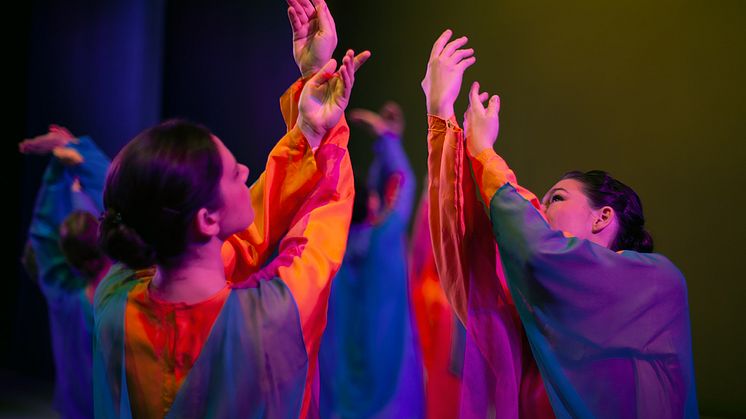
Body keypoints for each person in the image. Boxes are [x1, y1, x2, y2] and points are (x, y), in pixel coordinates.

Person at [93, 1, 370, 418]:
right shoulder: (271, 317)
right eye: (230, 173)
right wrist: (318, 121)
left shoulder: (115, 301)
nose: (245, 169)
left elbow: (239, 234)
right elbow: (325, 210)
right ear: (205, 220)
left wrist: (306, 124)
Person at [423, 29, 698, 418]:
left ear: (603, 217)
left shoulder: (657, 283)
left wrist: (484, 152)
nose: (540, 210)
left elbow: (540, 251)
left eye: (556, 198)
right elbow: (467, 260)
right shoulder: (539, 327)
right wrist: (441, 114)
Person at [318, 102, 424, 418]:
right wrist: (388, 141)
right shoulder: (383, 243)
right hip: (391, 406)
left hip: (339, 404)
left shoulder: (327, 254)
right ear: (373, 203)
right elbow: (403, 183)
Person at [21, 125, 112, 419]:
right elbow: (122, 206)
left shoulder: (65, 298)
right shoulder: (130, 294)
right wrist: (79, 153)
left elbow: (45, 237)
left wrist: (58, 173)